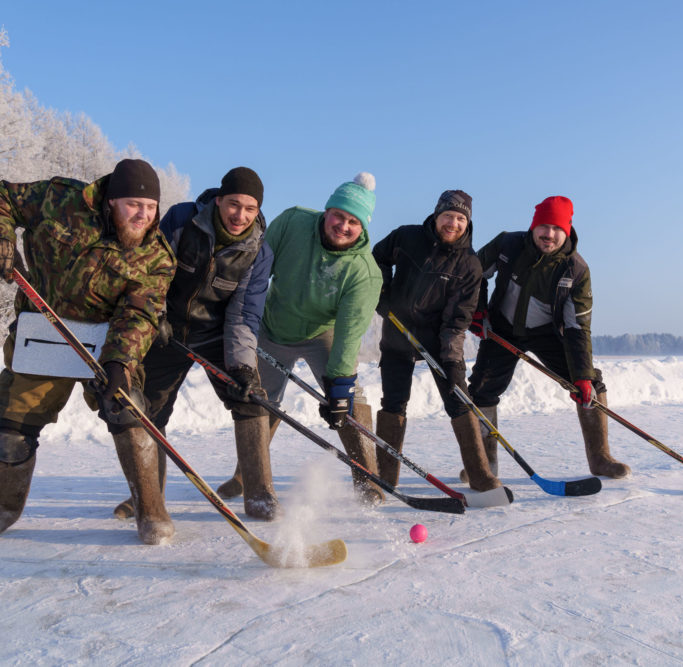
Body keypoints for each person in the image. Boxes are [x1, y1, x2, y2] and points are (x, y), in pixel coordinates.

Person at [0, 158, 177, 544]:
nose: (143, 215)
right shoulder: (59, 200)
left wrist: (120, 363)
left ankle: (150, 509)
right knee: (10, 434)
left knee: (128, 410)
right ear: (111, 201)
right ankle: (4, 508)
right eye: (134, 204)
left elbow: (140, 313)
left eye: (150, 207)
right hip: (43, 334)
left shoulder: (157, 256)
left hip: (103, 344)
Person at [111, 167, 278, 522]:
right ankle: (148, 496)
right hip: (165, 330)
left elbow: (244, 314)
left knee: (250, 398)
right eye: (234, 204)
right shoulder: (182, 221)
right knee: (148, 410)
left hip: (216, 335)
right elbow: (152, 270)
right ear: (219, 200)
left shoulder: (259, 252)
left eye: (250, 208)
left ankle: (260, 495)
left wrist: (242, 366)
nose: (240, 215)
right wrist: (155, 315)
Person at [217, 172, 385, 505]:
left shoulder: (364, 273)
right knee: (257, 400)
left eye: (353, 221)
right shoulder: (293, 222)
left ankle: (369, 481)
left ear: (363, 227)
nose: (343, 226)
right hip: (272, 326)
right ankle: (245, 476)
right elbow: (256, 271)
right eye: (338, 215)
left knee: (351, 399)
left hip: (322, 333)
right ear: (327, 211)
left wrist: (339, 386)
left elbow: (349, 334)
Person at [467, 196, 630, 478]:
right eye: (543, 226)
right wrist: (477, 311)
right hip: (502, 327)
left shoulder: (576, 270)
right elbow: (473, 274)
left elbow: (578, 327)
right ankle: (483, 466)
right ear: (533, 226)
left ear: (567, 231)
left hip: (547, 333)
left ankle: (600, 458)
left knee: (589, 383)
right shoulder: (508, 244)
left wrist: (581, 375)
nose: (549, 234)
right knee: (482, 389)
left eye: (557, 228)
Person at [371, 190, 503, 491]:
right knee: (393, 402)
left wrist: (453, 361)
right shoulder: (406, 237)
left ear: (467, 223)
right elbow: (377, 259)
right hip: (397, 331)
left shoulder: (470, 265)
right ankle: (384, 477)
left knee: (458, 399)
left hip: (438, 339)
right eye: (448, 216)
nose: (453, 223)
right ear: (436, 214)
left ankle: (480, 475)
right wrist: (382, 294)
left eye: (460, 218)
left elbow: (458, 320)